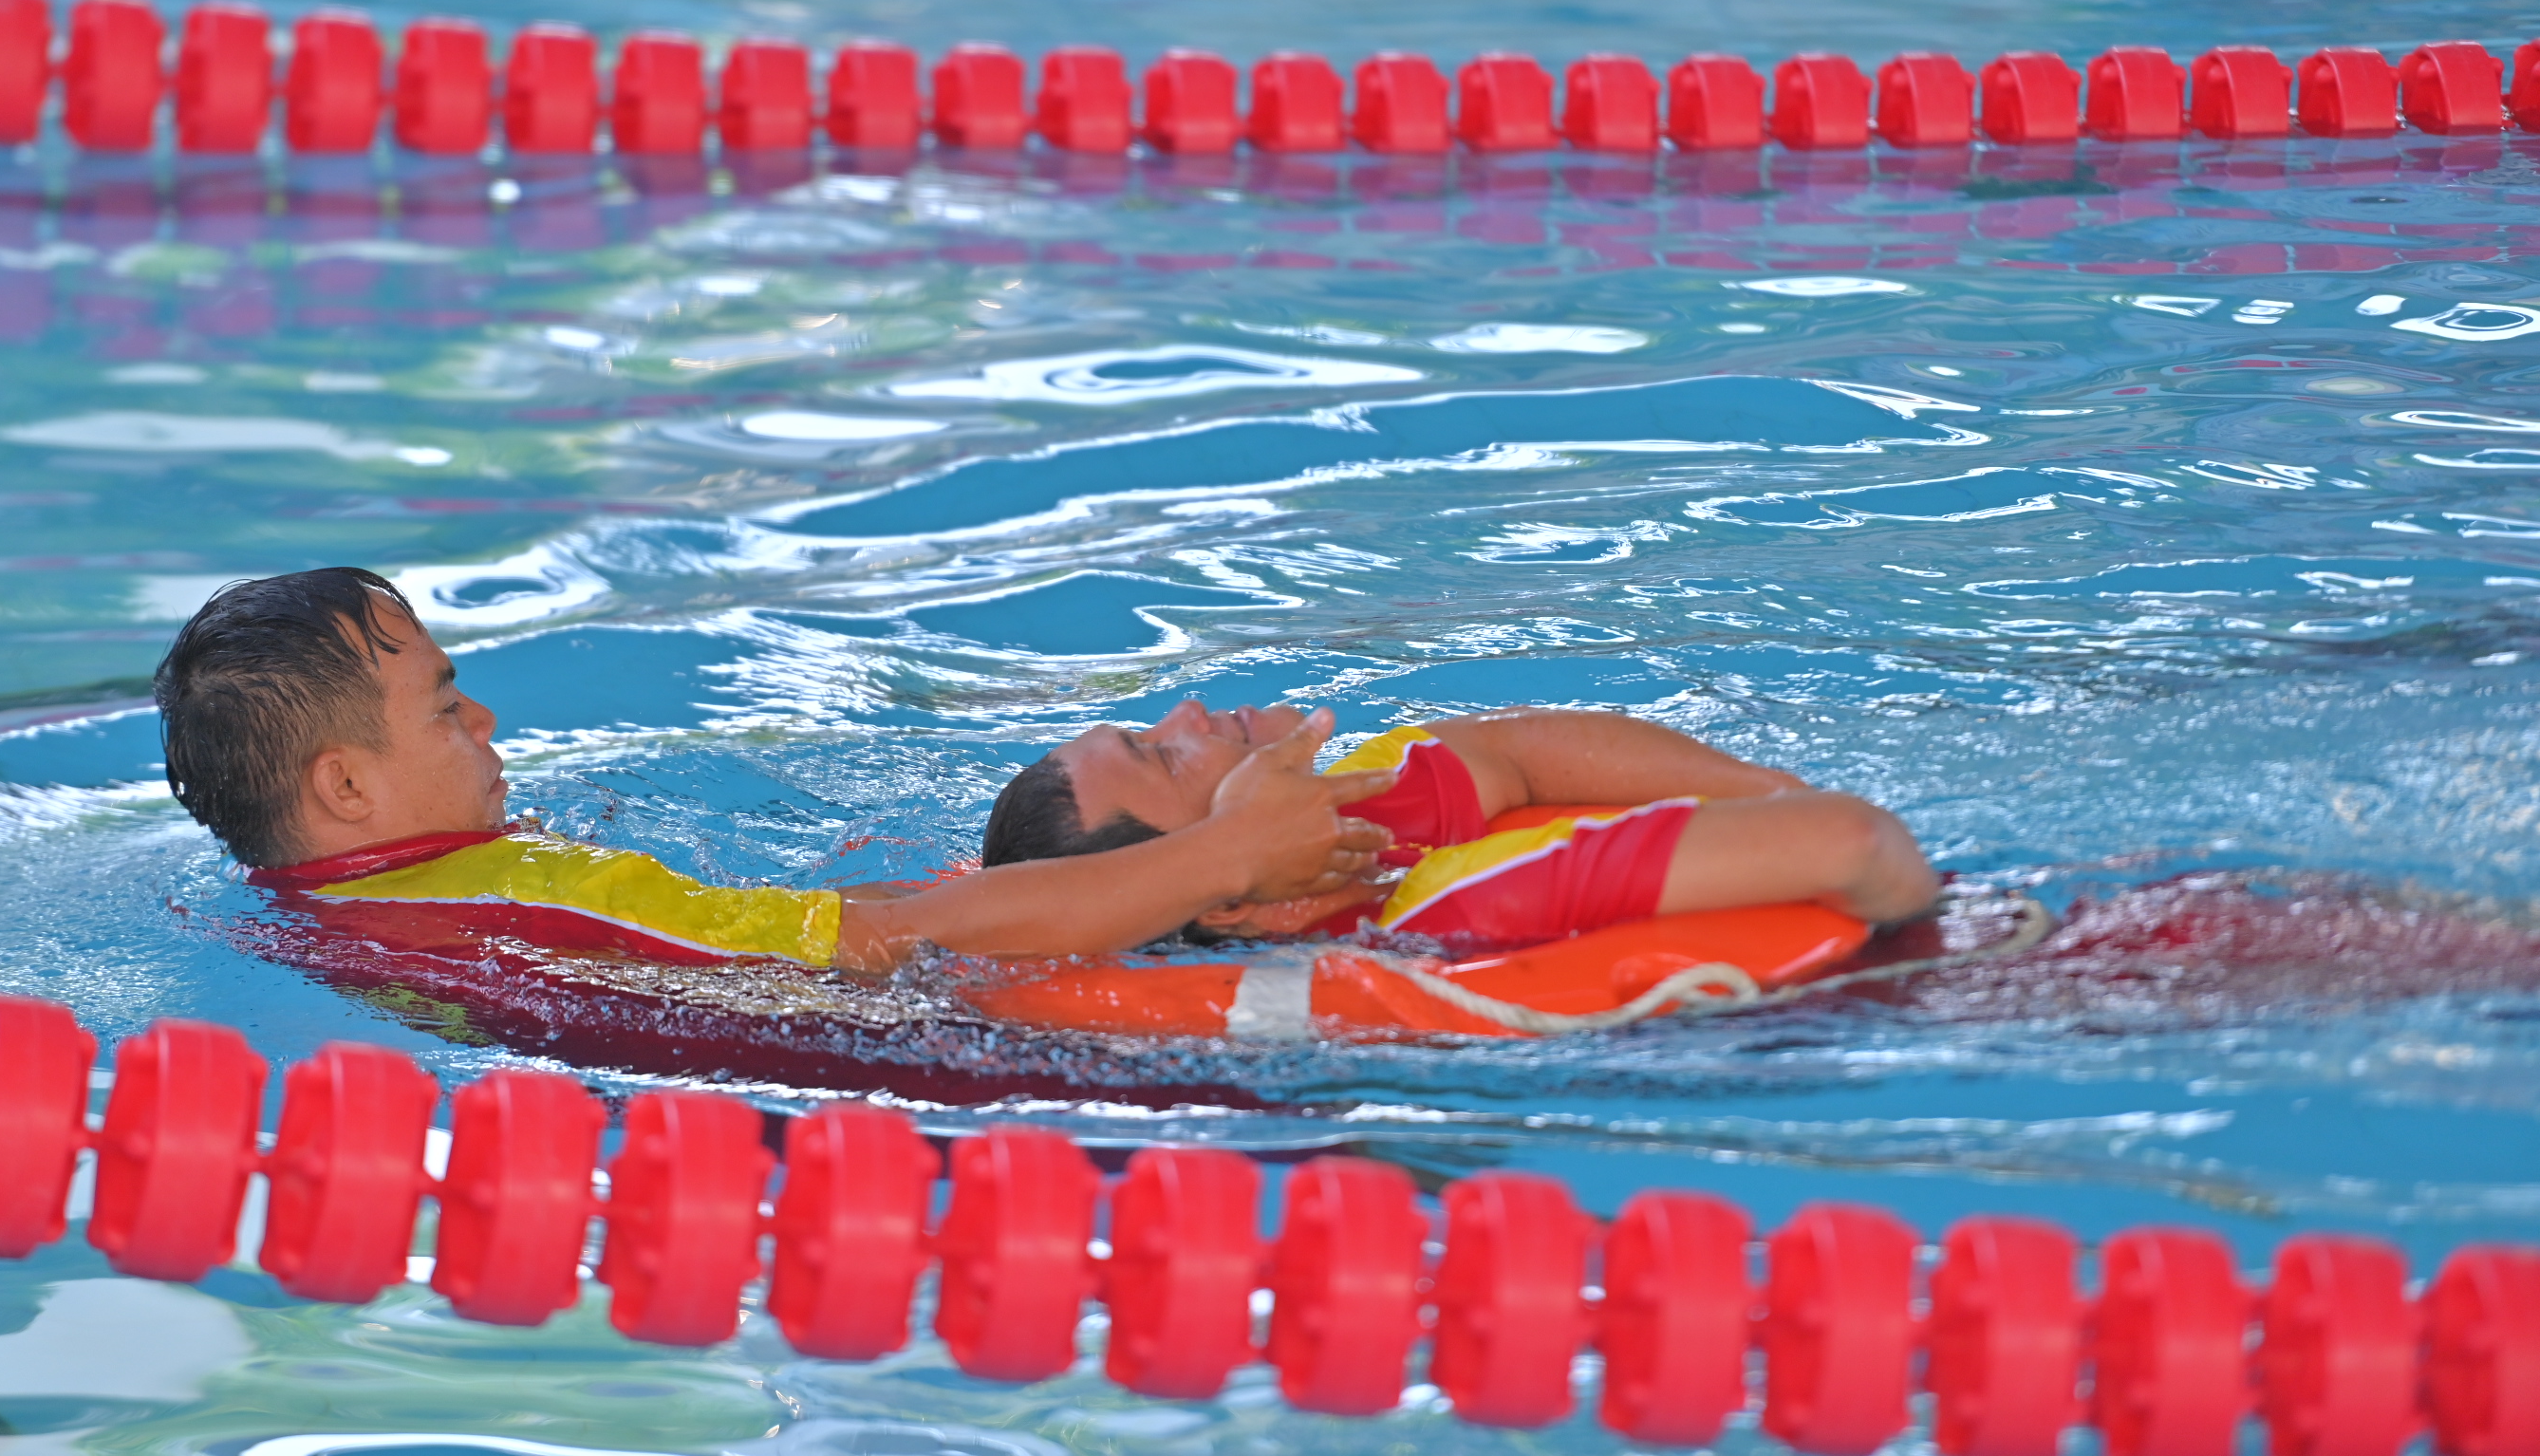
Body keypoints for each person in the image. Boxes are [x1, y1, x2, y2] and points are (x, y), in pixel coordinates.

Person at [155, 568, 1394, 978]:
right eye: (438, 705)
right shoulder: (521, 896)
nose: (480, 713)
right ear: (347, 791)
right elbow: (891, 937)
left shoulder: (335, 917)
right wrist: (1234, 853)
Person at [981, 700, 1939, 949]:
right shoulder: (1474, 906)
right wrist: (1795, 823)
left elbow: (1513, 754)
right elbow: (1855, 845)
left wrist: (1758, 786)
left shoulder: (1369, 821)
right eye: (1165, 757)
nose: (1188, 716)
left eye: (1145, 728)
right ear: (1234, 902)